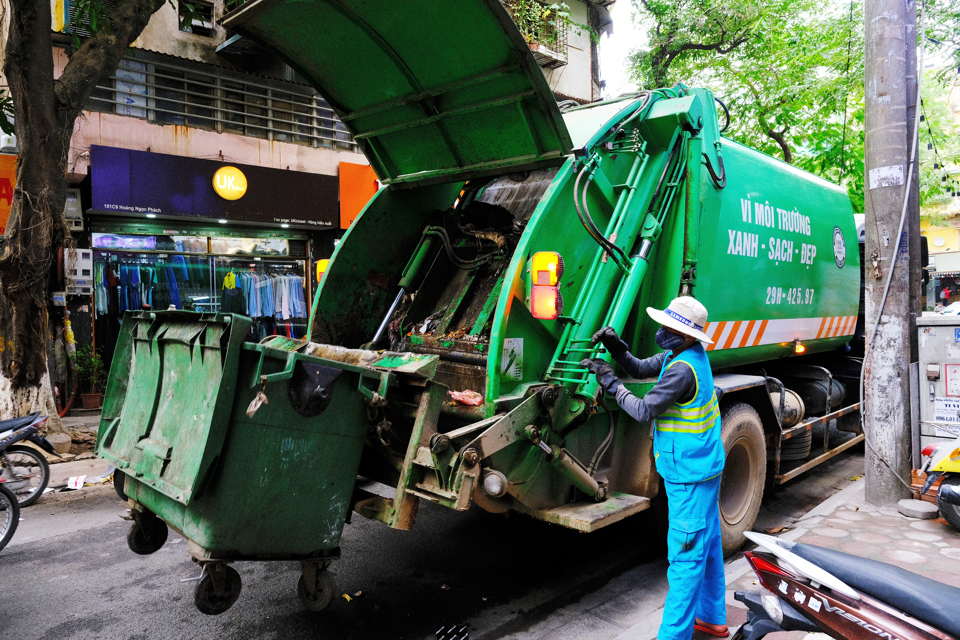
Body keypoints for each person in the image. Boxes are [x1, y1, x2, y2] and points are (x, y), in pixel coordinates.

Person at [581, 296, 727, 640]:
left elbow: (644, 410)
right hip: (703, 466)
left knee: (686, 557)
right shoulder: (682, 356)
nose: (664, 331)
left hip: (689, 475)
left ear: (689, 335)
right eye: (665, 324)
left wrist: (610, 383)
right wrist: (617, 350)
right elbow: (640, 367)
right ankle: (712, 618)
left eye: (672, 328)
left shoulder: (681, 370)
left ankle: (672, 636)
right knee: (708, 544)